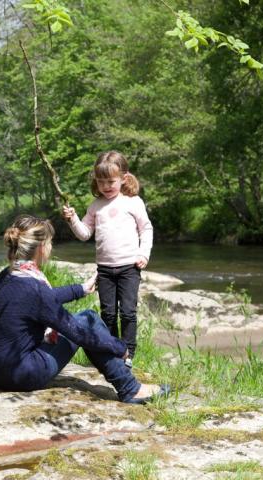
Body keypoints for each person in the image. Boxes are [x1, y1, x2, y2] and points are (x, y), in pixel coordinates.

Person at [0, 215, 167, 404]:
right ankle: (130, 388)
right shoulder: (35, 289)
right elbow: (78, 333)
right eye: (50, 243)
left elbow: (38, 301)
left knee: (86, 319)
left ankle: (127, 383)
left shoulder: (8, 275)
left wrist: (80, 289)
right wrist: (120, 347)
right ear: (41, 247)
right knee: (88, 320)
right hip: (23, 375)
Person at [62, 151, 153, 368]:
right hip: (104, 270)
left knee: (128, 312)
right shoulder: (95, 206)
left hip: (129, 266)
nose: (106, 186)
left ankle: (128, 353)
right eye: (101, 182)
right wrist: (72, 219)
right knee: (108, 314)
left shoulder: (133, 202)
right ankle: (112, 350)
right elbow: (84, 234)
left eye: (111, 181)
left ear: (124, 178)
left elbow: (146, 229)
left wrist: (143, 254)